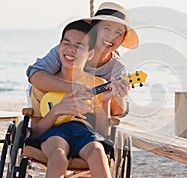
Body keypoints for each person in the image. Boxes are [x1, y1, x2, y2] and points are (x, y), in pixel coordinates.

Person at [31, 20, 120, 178]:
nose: (71, 50)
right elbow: (36, 133)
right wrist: (56, 112)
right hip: (53, 134)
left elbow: (102, 132)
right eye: (67, 43)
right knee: (58, 156)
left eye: (79, 46)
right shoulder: (43, 85)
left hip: (85, 132)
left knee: (98, 152)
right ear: (59, 48)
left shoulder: (97, 84)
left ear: (91, 54)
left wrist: (106, 101)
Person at [26, 2, 139, 117]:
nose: (111, 36)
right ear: (93, 30)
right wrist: (73, 88)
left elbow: (117, 112)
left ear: (122, 39)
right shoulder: (68, 51)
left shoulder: (117, 68)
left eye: (118, 33)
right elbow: (35, 75)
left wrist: (118, 96)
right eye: (106, 28)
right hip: (50, 105)